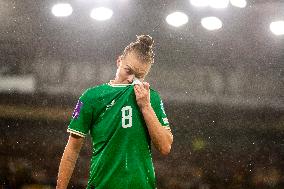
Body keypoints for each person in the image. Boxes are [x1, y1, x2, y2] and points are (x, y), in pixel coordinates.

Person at [56, 35, 173, 189]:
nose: (132, 79)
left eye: (139, 76)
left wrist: (145, 106)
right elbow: (72, 149)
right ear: (119, 61)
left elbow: (165, 147)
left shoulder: (151, 98)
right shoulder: (91, 97)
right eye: (128, 70)